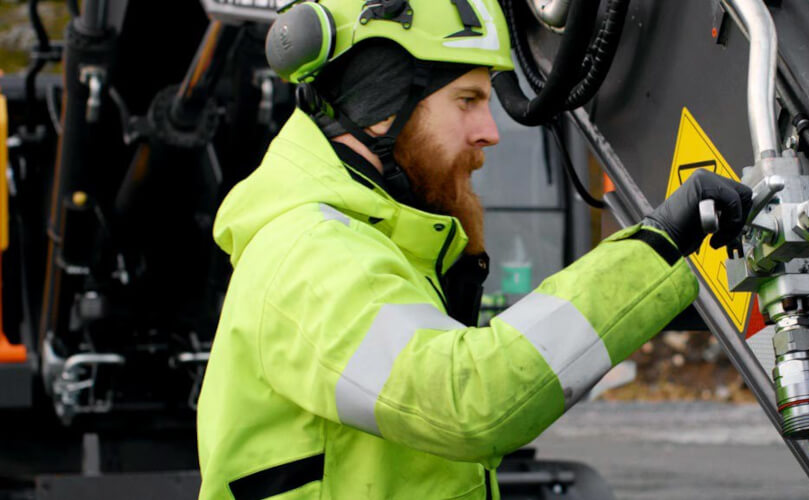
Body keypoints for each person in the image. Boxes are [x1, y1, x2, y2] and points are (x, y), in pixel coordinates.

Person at [196, 1, 752, 498]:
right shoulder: (309, 254)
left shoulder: (376, 251)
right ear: (381, 107)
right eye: (467, 100)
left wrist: (649, 298)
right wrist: (653, 251)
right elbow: (466, 401)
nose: (491, 130)